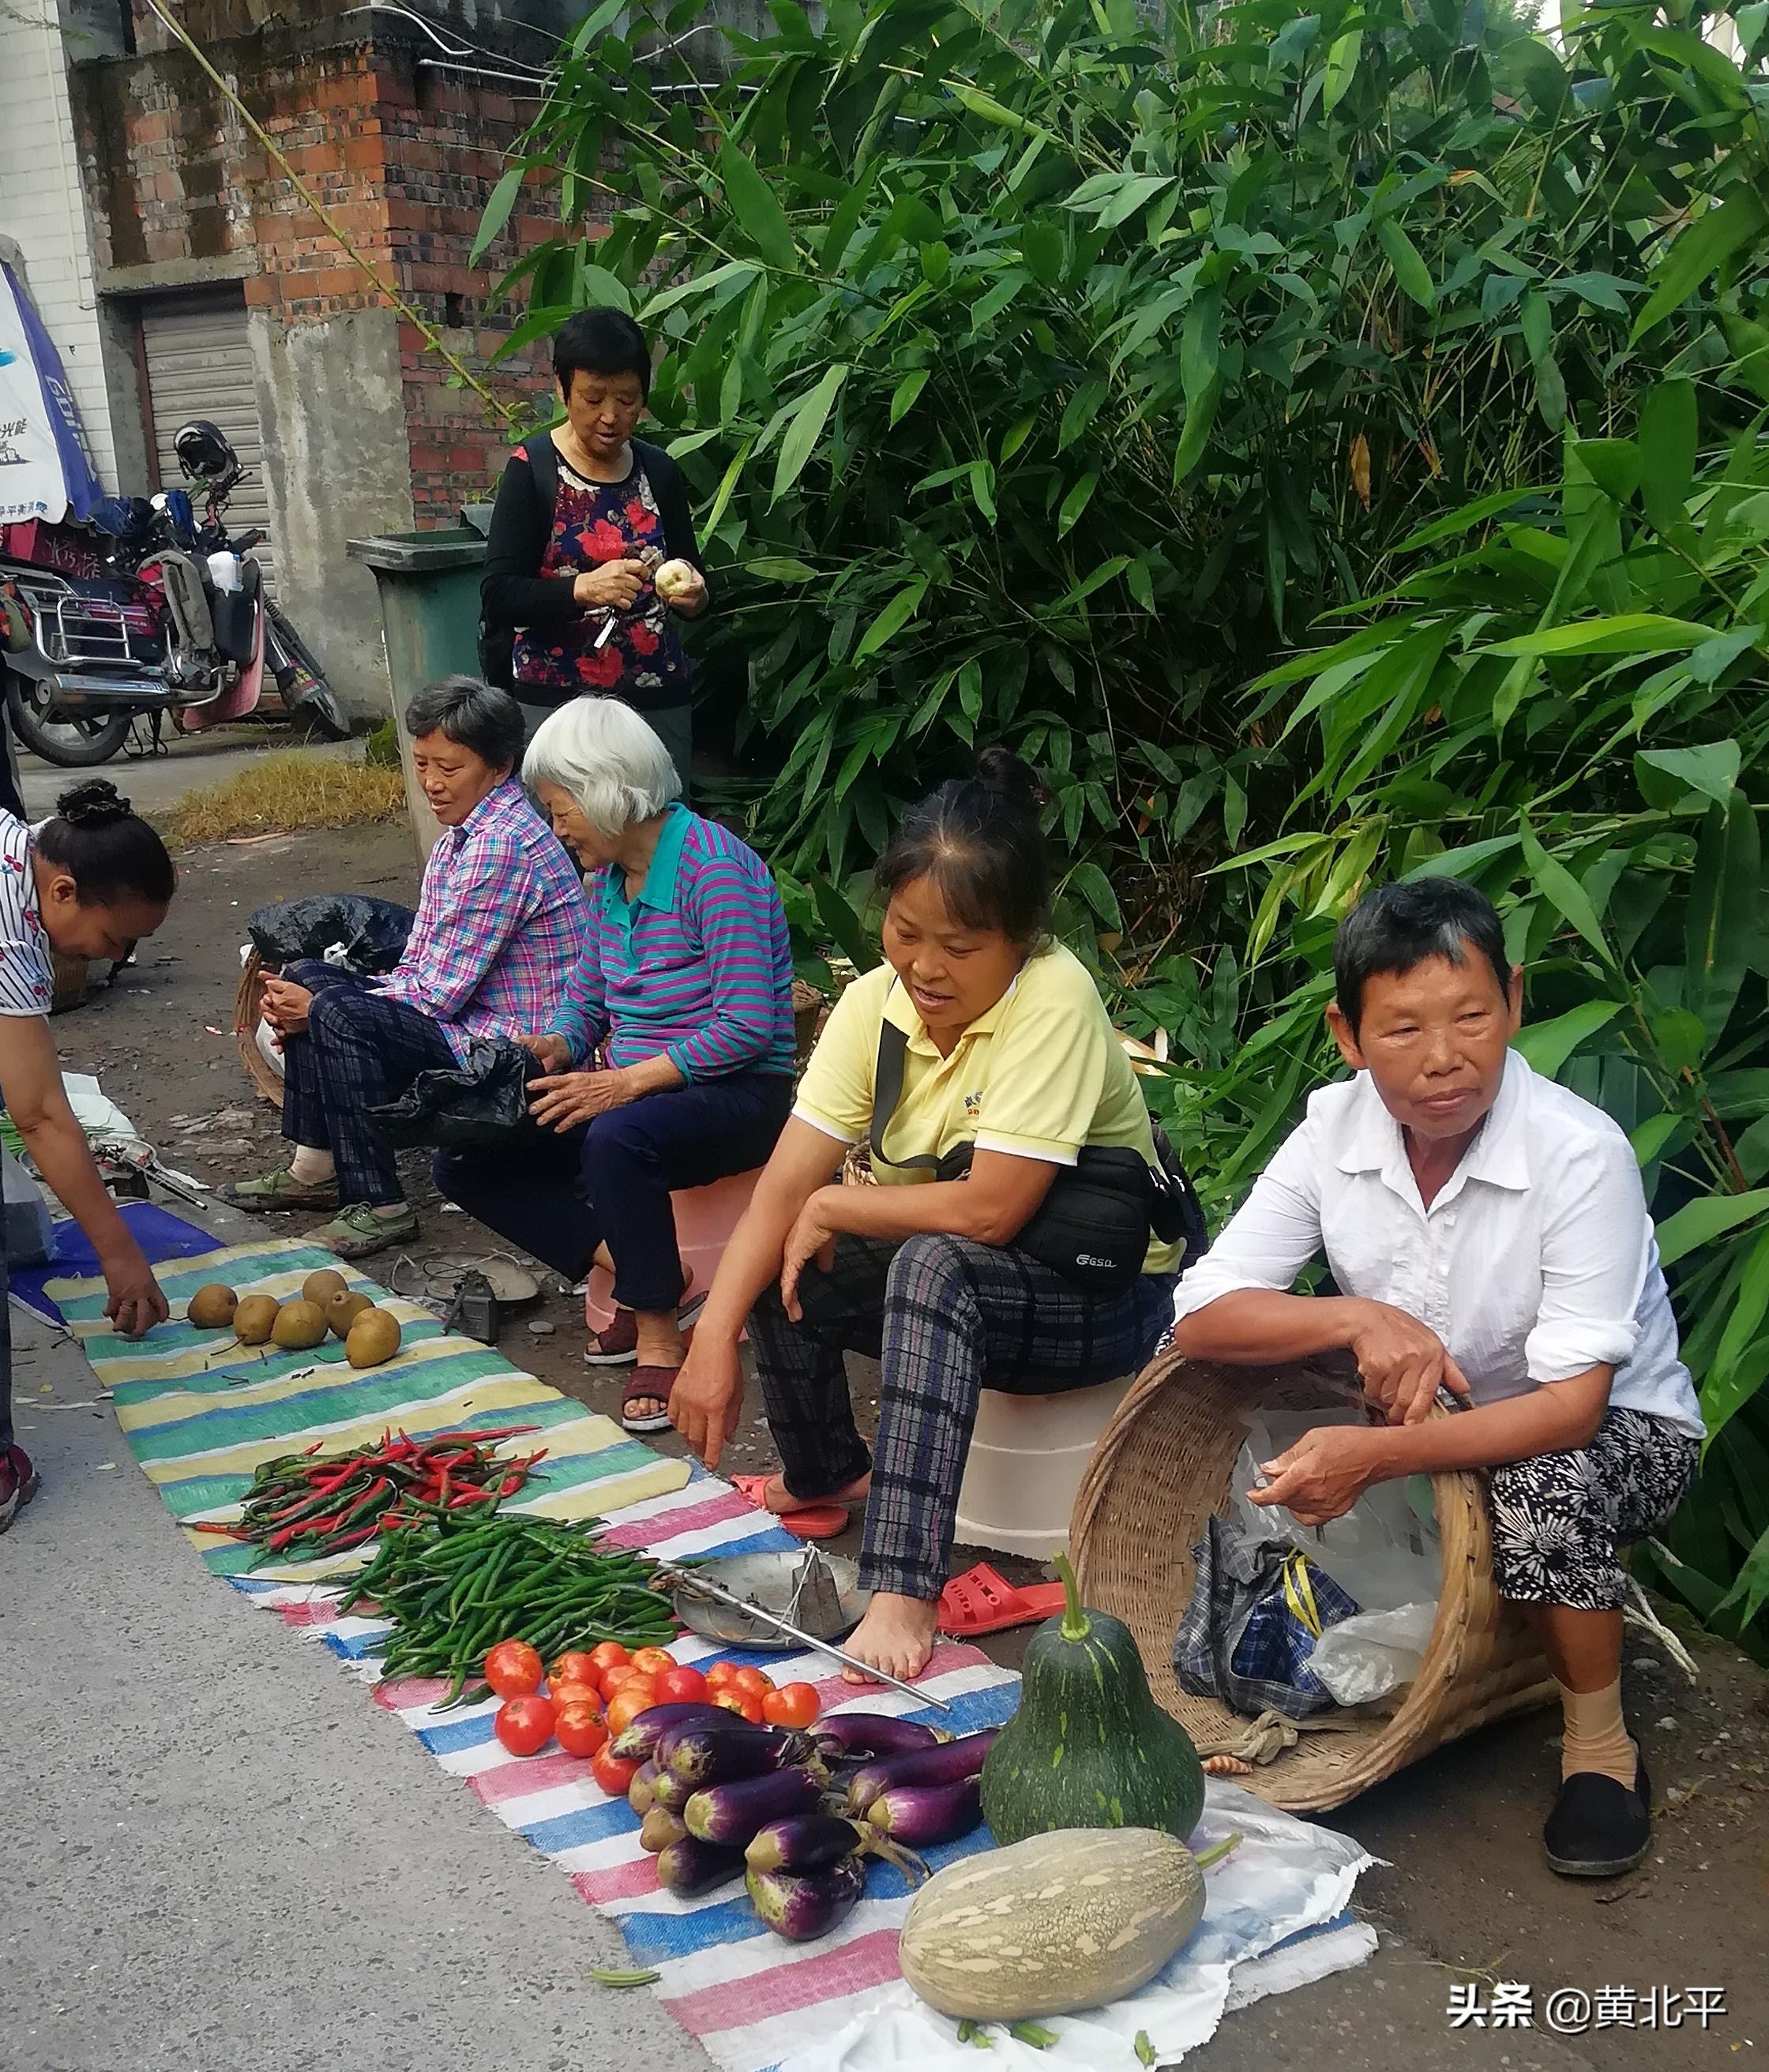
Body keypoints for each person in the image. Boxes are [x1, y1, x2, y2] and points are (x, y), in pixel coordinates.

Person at [1168, 877, 1703, 1879]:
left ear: (1512, 999)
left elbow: (1573, 1407)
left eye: (1469, 1015)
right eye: (1403, 1027)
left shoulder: (1578, 1153)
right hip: (1436, 1421)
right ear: (1346, 1033)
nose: (1444, 1056)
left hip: (1611, 1434)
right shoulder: (1332, 1132)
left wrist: (1377, 1455)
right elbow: (1200, 1314)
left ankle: (1596, 1743)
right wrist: (1358, 1314)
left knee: (1538, 1488)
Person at [667, 749, 1187, 1681]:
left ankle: (903, 1587)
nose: (924, 966)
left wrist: (838, 1199)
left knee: (926, 1259)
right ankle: (823, 1470)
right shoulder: (875, 1005)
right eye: (906, 932)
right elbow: (784, 1186)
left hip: (1107, 1297)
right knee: (786, 1240)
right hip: (979, 1279)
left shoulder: (1054, 998)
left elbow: (991, 1211)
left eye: (959, 946)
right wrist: (708, 1338)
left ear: (1021, 937)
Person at [435, 697, 796, 1432]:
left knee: (616, 1137)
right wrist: (559, 1046)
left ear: (608, 792)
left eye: (561, 809)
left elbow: (750, 1025)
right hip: (637, 1099)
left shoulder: (713, 870)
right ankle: (644, 1275)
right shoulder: (609, 885)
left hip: (738, 1093)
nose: (555, 826)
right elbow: (586, 999)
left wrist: (627, 1082)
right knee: (466, 1152)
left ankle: (659, 1332)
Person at [222, 678, 592, 1261]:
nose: (431, 784)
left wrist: (322, 1010)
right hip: (468, 1020)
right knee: (307, 978)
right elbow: (419, 965)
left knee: (333, 1008)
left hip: (514, 1053)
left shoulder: (502, 846)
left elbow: (435, 996)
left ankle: (381, 1205)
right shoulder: (462, 837)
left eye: (448, 767)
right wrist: (310, 995)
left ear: (499, 768)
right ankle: (315, 1168)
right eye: (421, 764)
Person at [0, 780, 176, 1533]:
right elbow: (38, 1112)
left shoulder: (18, 848)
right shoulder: (12, 928)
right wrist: (119, 1251)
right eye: (113, 940)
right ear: (64, 890)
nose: (118, 957)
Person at [480, 307, 709, 783]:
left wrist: (694, 596)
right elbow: (498, 594)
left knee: (657, 837)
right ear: (562, 389)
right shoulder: (532, 470)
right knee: (565, 845)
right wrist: (582, 589)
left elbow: (695, 575)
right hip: (558, 708)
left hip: (655, 697)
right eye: (593, 398)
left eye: (627, 400)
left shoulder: (659, 471)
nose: (611, 416)